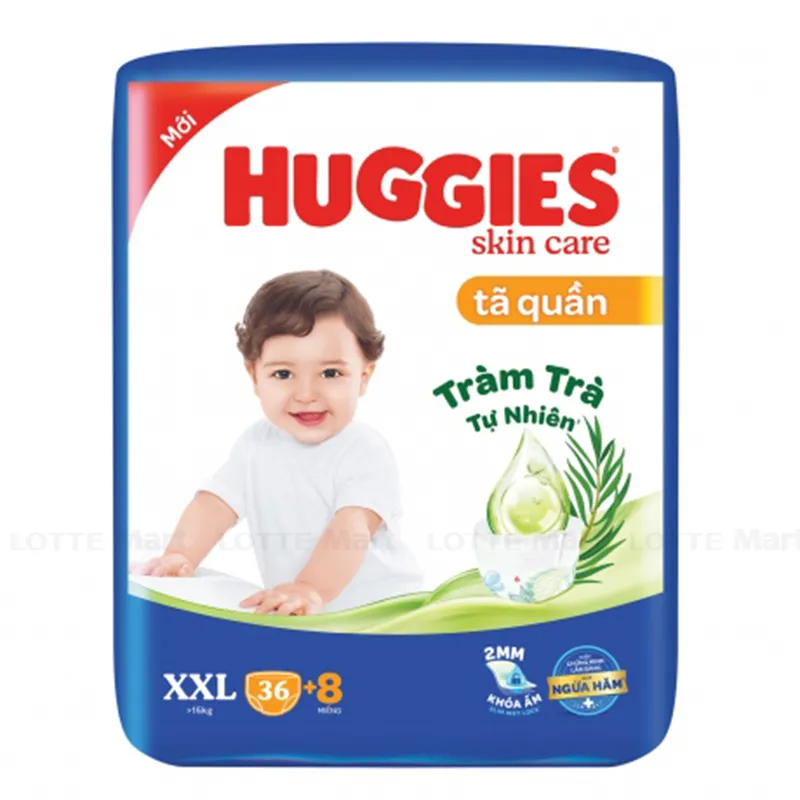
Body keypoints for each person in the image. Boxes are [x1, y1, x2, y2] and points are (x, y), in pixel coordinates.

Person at [133, 270, 422, 614]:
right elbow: (214, 505)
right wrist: (180, 555)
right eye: (283, 374)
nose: (306, 394)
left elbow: (351, 531)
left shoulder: (364, 451)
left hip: (386, 612)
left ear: (364, 376)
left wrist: (310, 587)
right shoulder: (256, 444)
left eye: (330, 373)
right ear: (254, 376)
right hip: (303, 611)